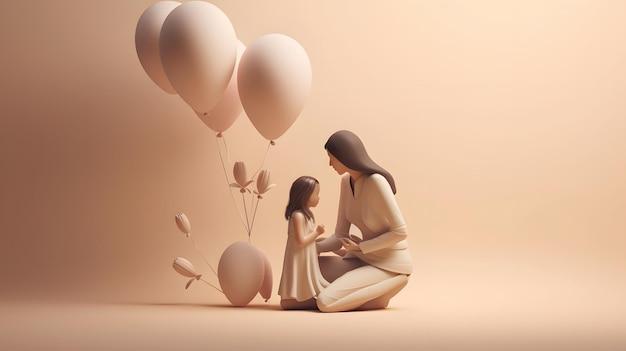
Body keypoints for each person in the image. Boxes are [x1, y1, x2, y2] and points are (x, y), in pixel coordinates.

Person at [315, 130, 413, 312]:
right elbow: (340, 235)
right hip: (360, 256)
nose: (330, 164)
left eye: (332, 158)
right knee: (312, 269)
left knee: (324, 303)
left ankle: (393, 282)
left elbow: (400, 232)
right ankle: (372, 295)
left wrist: (361, 247)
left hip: (390, 262)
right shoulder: (346, 182)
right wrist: (312, 248)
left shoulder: (377, 182)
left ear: (344, 156)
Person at [278, 176, 330, 310]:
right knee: (299, 276)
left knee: (307, 278)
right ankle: (294, 299)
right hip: (299, 256)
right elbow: (301, 241)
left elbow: (308, 239)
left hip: (305, 256)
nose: (319, 198)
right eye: (316, 194)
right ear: (305, 195)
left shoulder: (307, 215)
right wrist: (317, 232)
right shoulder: (298, 216)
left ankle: (307, 296)